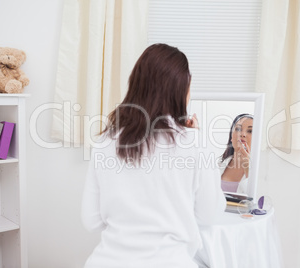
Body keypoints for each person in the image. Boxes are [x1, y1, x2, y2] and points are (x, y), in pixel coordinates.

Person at [81, 43, 226, 268]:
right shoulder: (196, 143)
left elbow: (90, 220)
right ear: (180, 90)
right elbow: (209, 215)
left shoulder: (105, 141)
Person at [220, 114, 253, 194]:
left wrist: (248, 169)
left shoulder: (261, 171)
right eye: (238, 129)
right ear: (231, 136)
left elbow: (257, 199)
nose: (242, 134)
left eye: (250, 131)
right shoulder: (217, 165)